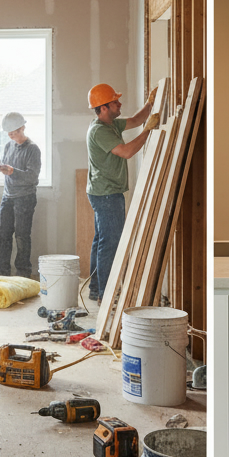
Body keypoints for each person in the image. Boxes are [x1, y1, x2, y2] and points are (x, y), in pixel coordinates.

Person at [86, 82, 158, 302]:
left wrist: (150, 104)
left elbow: (135, 120)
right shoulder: (100, 131)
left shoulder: (111, 125)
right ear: (103, 108)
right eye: (115, 102)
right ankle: (105, 295)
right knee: (110, 243)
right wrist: (148, 131)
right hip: (107, 195)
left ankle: (96, 290)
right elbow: (126, 152)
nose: (120, 104)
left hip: (104, 192)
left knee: (102, 240)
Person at [0, 112, 42, 278]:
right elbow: (5, 168)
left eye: (13, 132)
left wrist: (13, 171)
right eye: (8, 133)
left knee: (22, 236)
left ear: (22, 128)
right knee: (3, 234)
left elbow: (32, 177)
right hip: (8, 196)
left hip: (25, 198)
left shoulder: (32, 149)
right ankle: (1, 271)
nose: (10, 135)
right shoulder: (8, 146)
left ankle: (23, 273)